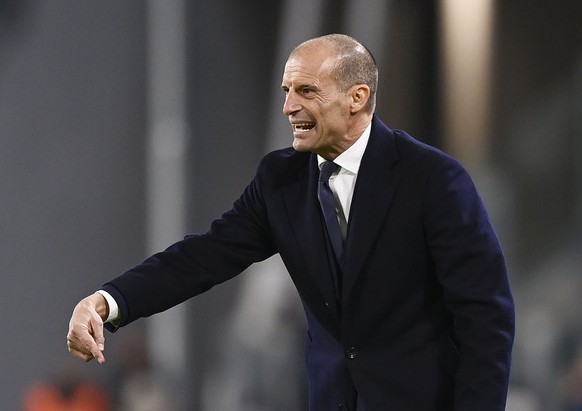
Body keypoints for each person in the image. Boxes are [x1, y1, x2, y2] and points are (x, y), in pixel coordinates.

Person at [67, 34, 515, 410]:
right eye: (286, 91)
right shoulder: (279, 180)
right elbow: (204, 256)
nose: (288, 107)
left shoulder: (432, 178)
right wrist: (108, 301)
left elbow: (485, 316)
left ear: (357, 97)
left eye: (306, 91)